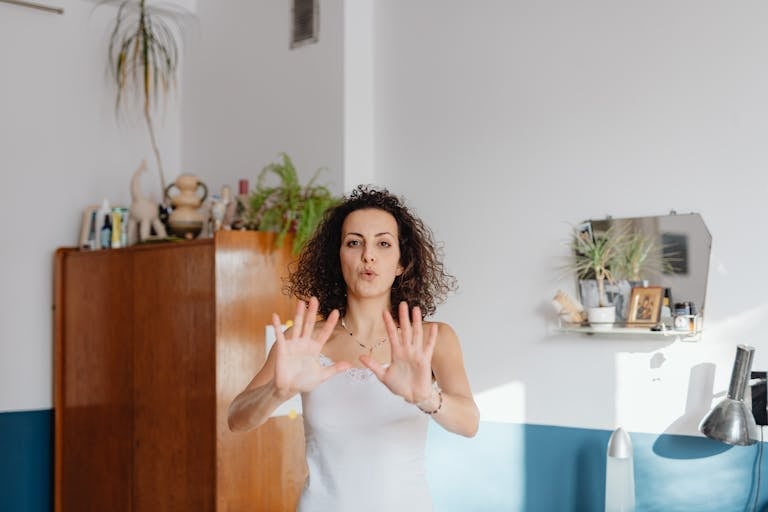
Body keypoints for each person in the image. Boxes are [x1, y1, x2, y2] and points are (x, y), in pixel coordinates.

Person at [227, 185, 479, 511]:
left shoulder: (432, 339)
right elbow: (237, 419)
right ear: (339, 257)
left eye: (383, 244)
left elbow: (469, 423)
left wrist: (426, 398)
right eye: (354, 242)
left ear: (402, 262)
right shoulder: (303, 342)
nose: (368, 255)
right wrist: (278, 390)